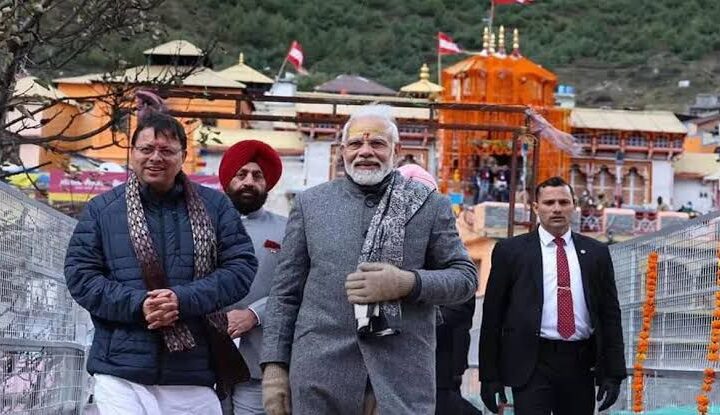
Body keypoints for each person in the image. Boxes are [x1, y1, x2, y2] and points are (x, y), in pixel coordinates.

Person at [260, 105, 478, 414]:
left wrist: (408, 283)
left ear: (395, 151)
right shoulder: (311, 204)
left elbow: (465, 278)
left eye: (377, 143)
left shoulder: (429, 205)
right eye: (355, 144)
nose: (365, 152)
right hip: (319, 374)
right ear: (343, 151)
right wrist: (274, 368)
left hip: (400, 378)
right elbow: (285, 293)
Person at [64, 112, 258, 414]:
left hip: (192, 370)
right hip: (120, 369)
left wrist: (182, 300)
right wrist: (139, 305)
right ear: (132, 153)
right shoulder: (102, 209)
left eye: (166, 150)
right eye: (146, 149)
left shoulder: (216, 207)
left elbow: (241, 268)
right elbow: (81, 276)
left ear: (183, 156)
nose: (156, 157)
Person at [478, 176, 625, 415]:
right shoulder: (511, 251)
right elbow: (493, 315)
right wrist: (489, 376)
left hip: (580, 363)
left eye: (563, 202)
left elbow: (610, 314)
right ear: (536, 208)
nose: (557, 209)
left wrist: (614, 373)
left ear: (574, 206)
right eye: (549, 203)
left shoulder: (596, 253)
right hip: (531, 361)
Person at [219, 140, 288, 415]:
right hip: (205, 361)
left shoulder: (287, 229)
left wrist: (254, 314)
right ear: (228, 179)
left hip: (259, 362)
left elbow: (295, 287)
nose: (249, 181)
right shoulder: (201, 224)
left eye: (257, 175)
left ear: (267, 183)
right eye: (241, 174)